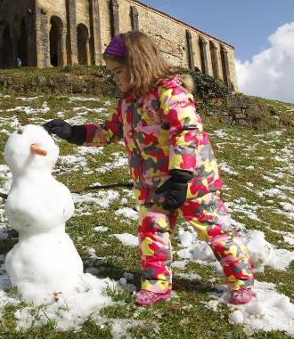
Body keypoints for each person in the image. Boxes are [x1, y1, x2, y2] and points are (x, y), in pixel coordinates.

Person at [43, 32, 255, 306]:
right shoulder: (127, 102)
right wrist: (73, 132)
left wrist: (181, 178)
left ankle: (241, 280)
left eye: (119, 71)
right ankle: (156, 285)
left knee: (215, 230)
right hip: (152, 183)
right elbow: (109, 131)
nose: (116, 78)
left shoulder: (170, 92)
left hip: (192, 182)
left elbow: (187, 132)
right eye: (112, 73)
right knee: (152, 231)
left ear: (138, 63)